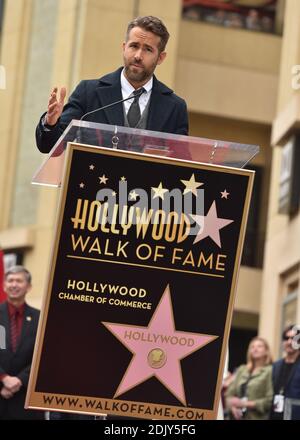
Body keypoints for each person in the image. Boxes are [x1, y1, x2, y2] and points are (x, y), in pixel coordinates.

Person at [36, 15, 189, 154]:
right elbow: (50, 147)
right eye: (134, 46)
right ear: (124, 48)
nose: (138, 56)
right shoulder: (89, 93)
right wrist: (51, 123)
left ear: (161, 58)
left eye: (148, 50)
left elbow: (181, 165)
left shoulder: (175, 107)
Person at [0, 266, 44, 420]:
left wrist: (20, 380)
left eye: (19, 281)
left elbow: (43, 355)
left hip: (25, 401)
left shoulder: (40, 318)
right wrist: (3, 378)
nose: (14, 284)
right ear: (4, 285)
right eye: (10, 280)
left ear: (29, 287)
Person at [225, 337, 273, 420]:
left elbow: (269, 401)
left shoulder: (270, 371)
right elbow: (228, 395)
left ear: (266, 351)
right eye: (252, 347)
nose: (255, 349)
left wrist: (245, 404)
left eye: (259, 346)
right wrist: (233, 408)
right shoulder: (242, 369)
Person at [270, 324, 300, 420]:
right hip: (275, 414)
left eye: (294, 338)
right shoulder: (276, 365)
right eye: (286, 338)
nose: (290, 342)